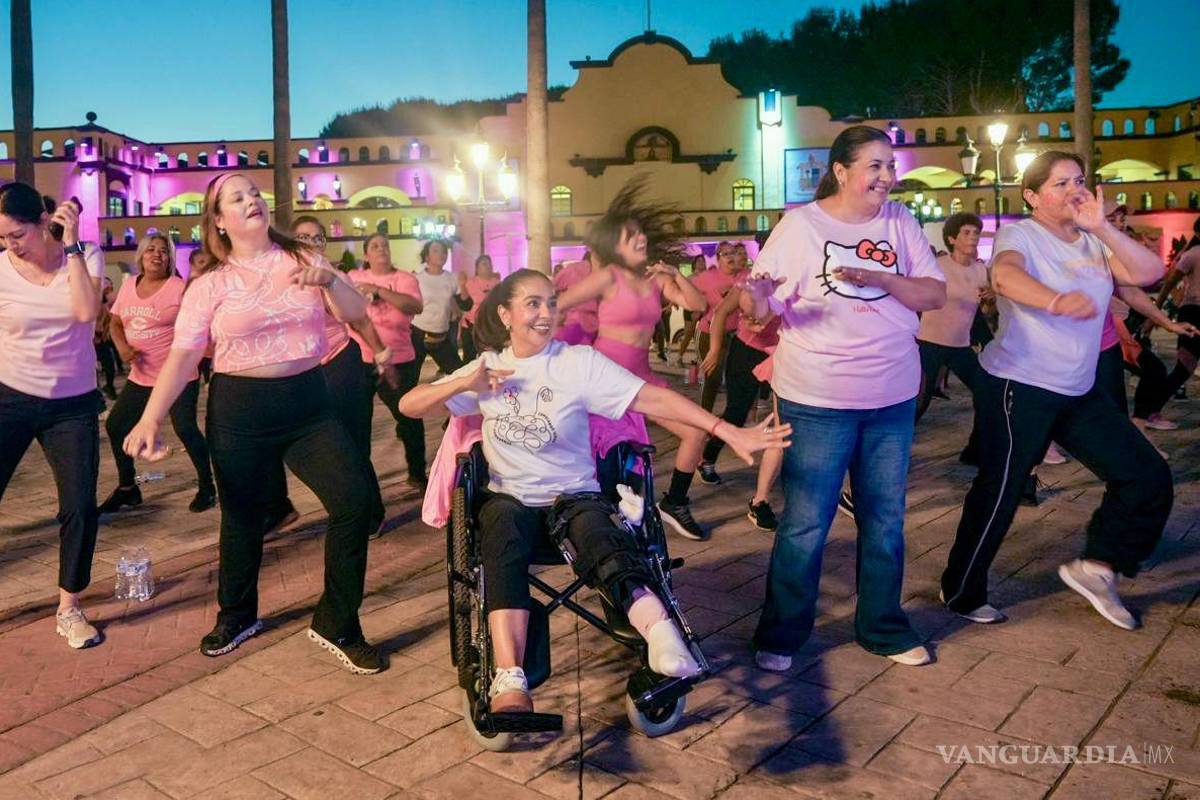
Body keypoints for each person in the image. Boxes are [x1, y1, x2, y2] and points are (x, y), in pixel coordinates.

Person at [397, 269, 790, 712]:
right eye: (532, 304)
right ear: (505, 314)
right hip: (511, 501)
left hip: (574, 497)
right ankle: (510, 678)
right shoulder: (486, 368)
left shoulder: (577, 363)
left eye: (550, 303)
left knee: (603, 538)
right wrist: (462, 384)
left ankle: (664, 639)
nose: (545, 313)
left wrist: (725, 429)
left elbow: (653, 398)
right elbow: (409, 405)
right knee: (500, 529)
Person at [123, 173, 384, 672]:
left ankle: (337, 621)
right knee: (242, 518)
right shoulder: (209, 284)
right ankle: (237, 615)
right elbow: (184, 354)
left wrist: (331, 280)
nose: (252, 201)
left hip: (309, 405)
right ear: (219, 220)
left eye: (255, 194)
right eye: (237, 198)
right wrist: (151, 418)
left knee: (354, 502)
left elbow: (356, 314)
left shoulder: (303, 258)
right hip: (239, 410)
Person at [741, 126, 948, 671]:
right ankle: (781, 634)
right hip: (818, 396)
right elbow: (759, 307)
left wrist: (880, 276)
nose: (887, 176)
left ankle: (883, 627)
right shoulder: (800, 226)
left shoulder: (900, 222)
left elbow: (934, 292)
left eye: (890, 165)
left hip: (891, 395)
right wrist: (754, 299)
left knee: (885, 518)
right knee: (806, 521)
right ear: (840, 170)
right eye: (874, 166)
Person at [940, 151, 1173, 631]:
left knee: (1146, 475)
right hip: (1019, 383)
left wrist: (1103, 227)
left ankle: (1098, 567)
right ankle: (961, 590)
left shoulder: (1094, 240)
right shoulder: (1021, 234)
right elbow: (1004, 275)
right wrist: (1055, 300)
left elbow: (1148, 273)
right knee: (1002, 489)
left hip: (1077, 389)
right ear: (1032, 196)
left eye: (1079, 181)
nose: (1074, 190)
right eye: (1060, 183)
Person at [557, 178, 714, 541]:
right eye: (631, 236)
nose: (641, 238)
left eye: (640, 233)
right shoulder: (608, 277)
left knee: (695, 432)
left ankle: (675, 502)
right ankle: (595, 524)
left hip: (643, 381)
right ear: (614, 246)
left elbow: (698, 305)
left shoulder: (656, 280)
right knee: (603, 461)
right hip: (606, 380)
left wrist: (676, 276)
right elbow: (558, 304)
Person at [0, 184, 104, 649]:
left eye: (17, 234)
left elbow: (84, 312)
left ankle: (69, 607)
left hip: (72, 405)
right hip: (10, 396)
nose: (11, 245)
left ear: (44, 221)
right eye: (3, 237)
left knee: (79, 506)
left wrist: (74, 246)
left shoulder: (85, 255)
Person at [260, 218, 396, 536]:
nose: (310, 243)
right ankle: (279, 506)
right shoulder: (279, 279)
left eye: (317, 238)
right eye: (302, 237)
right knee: (277, 437)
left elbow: (361, 321)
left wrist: (382, 357)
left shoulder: (333, 277)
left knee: (352, 443)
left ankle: (371, 513)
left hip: (339, 366)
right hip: (300, 374)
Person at [100, 234, 217, 514]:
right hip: (141, 376)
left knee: (185, 428)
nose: (157, 255)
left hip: (178, 376)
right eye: (151, 249)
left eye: (164, 251)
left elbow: (200, 325)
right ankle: (128, 488)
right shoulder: (130, 284)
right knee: (116, 426)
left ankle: (208, 486)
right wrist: (122, 347)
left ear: (170, 259)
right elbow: (115, 322)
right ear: (140, 256)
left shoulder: (178, 288)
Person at [695, 276, 783, 530]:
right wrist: (714, 349)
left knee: (783, 425)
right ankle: (707, 457)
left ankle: (761, 500)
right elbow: (722, 312)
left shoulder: (802, 279)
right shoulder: (751, 280)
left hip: (782, 356)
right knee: (736, 412)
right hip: (746, 351)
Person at [346, 232, 427, 491]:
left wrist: (379, 291)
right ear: (366, 254)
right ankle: (362, 481)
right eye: (375, 246)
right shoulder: (353, 277)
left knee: (408, 416)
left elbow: (414, 306)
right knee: (359, 423)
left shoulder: (404, 279)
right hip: (360, 360)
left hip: (399, 359)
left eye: (385, 245)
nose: (381, 249)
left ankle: (417, 473)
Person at [914, 212, 989, 463]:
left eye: (976, 232)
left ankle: (976, 450)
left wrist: (990, 301)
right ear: (952, 239)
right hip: (929, 342)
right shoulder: (938, 266)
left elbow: (983, 310)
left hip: (960, 345)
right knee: (919, 401)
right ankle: (892, 450)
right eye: (966, 232)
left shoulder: (980, 270)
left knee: (987, 393)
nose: (973, 237)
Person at [1144, 218, 1200, 418]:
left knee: (1185, 368)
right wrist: (1155, 314)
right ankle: (1151, 410)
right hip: (1194, 313)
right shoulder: (1192, 255)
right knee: (1185, 367)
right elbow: (1169, 284)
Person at [692, 242, 746, 411]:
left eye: (733, 253)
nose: (731, 257)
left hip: (735, 335)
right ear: (718, 258)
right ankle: (704, 415)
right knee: (712, 377)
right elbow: (687, 288)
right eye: (726, 254)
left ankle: (731, 416)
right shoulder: (707, 277)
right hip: (707, 333)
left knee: (734, 376)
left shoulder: (744, 275)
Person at [410, 239, 468, 375]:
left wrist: (463, 285)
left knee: (459, 374)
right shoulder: (417, 278)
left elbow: (466, 305)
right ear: (427, 257)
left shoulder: (452, 278)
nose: (441, 254)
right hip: (418, 334)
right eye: (436, 251)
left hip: (441, 336)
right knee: (410, 378)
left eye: (444, 251)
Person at [460, 253, 500, 363]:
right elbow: (464, 302)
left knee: (490, 355)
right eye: (484, 264)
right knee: (469, 356)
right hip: (471, 324)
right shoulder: (470, 282)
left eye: (489, 264)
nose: (487, 266)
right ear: (477, 268)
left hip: (489, 324)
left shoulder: (497, 283)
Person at [553, 252, 599, 346]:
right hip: (594, 325)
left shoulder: (573, 269)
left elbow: (552, 289)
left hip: (572, 322)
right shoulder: (608, 272)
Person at [675, 253, 708, 366]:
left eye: (703, 261)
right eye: (699, 261)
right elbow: (681, 291)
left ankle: (700, 358)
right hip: (691, 308)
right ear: (694, 264)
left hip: (704, 308)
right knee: (689, 334)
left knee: (704, 334)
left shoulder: (708, 277)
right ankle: (679, 357)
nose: (701, 263)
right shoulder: (690, 278)